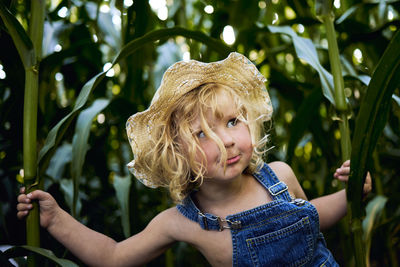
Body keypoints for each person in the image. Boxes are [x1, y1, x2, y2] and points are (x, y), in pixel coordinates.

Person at [17, 52, 371, 266]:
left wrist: (353, 192)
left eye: (233, 122)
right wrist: (55, 219)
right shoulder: (180, 222)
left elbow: (311, 218)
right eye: (202, 134)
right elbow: (112, 257)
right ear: (177, 153)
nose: (228, 141)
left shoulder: (279, 175)